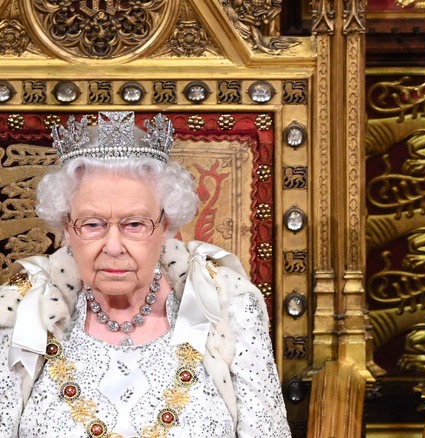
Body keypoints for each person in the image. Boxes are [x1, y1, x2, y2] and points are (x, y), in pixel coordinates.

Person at [0, 111, 292, 437]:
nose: (113, 246)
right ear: (68, 229)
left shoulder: (228, 304)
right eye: (92, 224)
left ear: (165, 226)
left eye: (135, 224)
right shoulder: (21, 312)